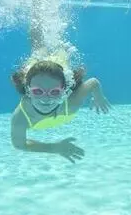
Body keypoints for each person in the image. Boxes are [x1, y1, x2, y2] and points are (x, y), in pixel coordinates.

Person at [10, 19, 110, 163]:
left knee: (56, 50)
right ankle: (36, 15)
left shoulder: (71, 102)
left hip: (59, 63)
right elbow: (19, 145)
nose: (46, 99)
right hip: (38, 70)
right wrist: (54, 148)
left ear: (64, 90)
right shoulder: (21, 116)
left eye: (54, 92)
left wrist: (99, 97)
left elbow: (93, 83)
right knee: (39, 49)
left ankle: (45, 24)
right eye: (38, 92)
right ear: (28, 90)